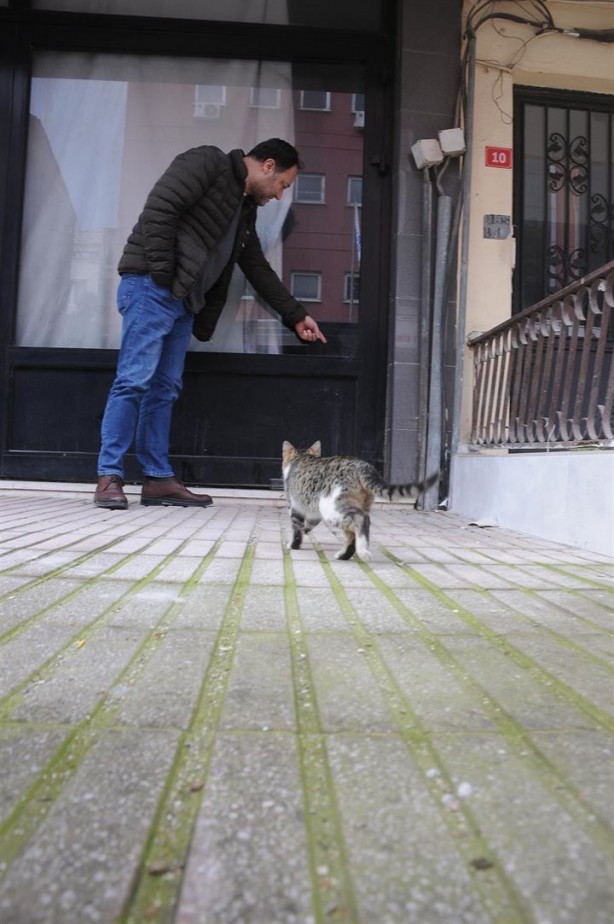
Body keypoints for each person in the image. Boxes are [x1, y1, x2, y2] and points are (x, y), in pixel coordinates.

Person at [94, 138, 327, 510]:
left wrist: (295, 315)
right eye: (283, 185)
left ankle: (156, 478)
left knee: (165, 388)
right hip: (152, 288)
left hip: (182, 301)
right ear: (268, 165)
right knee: (134, 379)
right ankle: (109, 475)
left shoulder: (243, 211)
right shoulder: (207, 163)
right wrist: (163, 276)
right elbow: (160, 209)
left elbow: (256, 268)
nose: (280, 196)